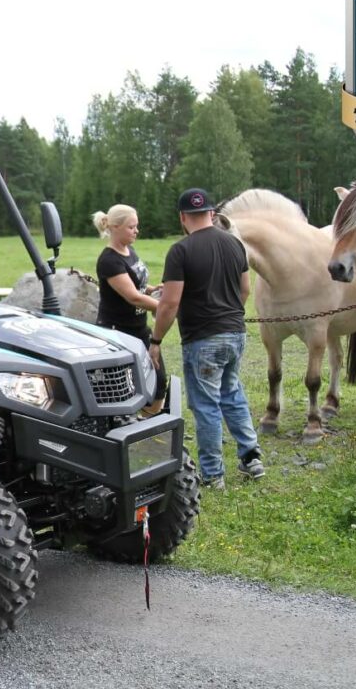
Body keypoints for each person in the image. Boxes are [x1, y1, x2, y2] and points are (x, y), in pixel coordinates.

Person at [148, 188, 263, 489]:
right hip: (235, 333)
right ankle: (251, 458)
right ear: (211, 213)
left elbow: (170, 303)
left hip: (202, 339)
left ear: (182, 217)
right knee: (232, 394)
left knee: (206, 406)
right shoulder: (235, 244)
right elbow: (245, 289)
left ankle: (213, 474)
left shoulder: (180, 251)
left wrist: (156, 340)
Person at [93, 203, 166, 414]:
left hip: (139, 329)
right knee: (123, 389)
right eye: (131, 227)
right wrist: (166, 308)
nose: (136, 231)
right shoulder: (109, 260)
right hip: (117, 332)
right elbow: (133, 297)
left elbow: (137, 285)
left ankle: (147, 422)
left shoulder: (129, 250)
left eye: (136, 226)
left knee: (159, 382)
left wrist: (152, 289)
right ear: (115, 227)